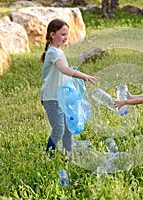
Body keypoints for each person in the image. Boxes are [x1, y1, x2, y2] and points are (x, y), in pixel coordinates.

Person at [40, 19, 98, 157]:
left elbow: (62, 70)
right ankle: (49, 155)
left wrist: (71, 70)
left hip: (62, 97)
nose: (65, 38)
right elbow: (63, 69)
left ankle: (68, 155)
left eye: (66, 35)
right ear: (52, 34)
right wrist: (83, 76)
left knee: (68, 129)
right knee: (59, 129)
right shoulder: (54, 52)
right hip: (51, 98)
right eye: (62, 34)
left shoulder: (57, 51)